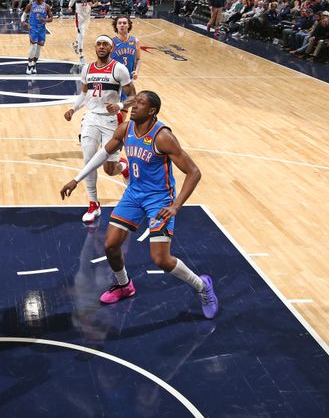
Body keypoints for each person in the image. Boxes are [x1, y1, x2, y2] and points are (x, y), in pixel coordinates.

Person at [60, 91, 219, 319]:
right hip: (134, 194)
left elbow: (194, 172)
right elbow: (103, 154)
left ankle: (203, 287)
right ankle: (124, 285)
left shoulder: (162, 136)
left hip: (159, 199)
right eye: (135, 102)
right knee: (111, 245)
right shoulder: (125, 129)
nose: (134, 106)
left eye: (140, 103)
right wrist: (76, 179)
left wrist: (176, 205)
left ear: (152, 111)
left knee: (161, 259)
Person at [64, 36, 135, 223]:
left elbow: (134, 96)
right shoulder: (87, 69)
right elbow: (84, 93)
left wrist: (120, 106)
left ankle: (123, 167)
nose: (102, 47)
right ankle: (93, 204)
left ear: (111, 48)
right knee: (88, 161)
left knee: (109, 169)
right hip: (90, 118)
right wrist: (73, 109)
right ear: (95, 47)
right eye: (99, 44)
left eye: (105, 44)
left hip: (111, 122)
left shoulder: (119, 69)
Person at [21, 0, 53, 75]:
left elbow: (51, 18)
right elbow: (24, 15)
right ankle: (29, 65)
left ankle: (34, 64)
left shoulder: (46, 6)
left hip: (42, 29)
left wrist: (45, 19)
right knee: (33, 46)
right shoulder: (30, 5)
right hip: (33, 28)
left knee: (38, 49)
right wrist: (24, 22)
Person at [69, 0, 98, 68]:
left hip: (87, 16)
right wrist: (70, 7)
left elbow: (96, 2)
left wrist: (93, 5)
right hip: (79, 16)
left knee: (81, 33)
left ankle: (76, 44)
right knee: (82, 34)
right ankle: (81, 55)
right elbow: (72, 0)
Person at [111, 15, 141, 86]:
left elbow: (138, 59)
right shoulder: (111, 42)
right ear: (116, 26)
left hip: (129, 79)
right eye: (119, 23)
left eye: (124, 23)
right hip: (114, 78)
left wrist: (136, 72)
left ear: (128, 25)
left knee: (129, 97)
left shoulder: (135, 41)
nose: (122, 25)